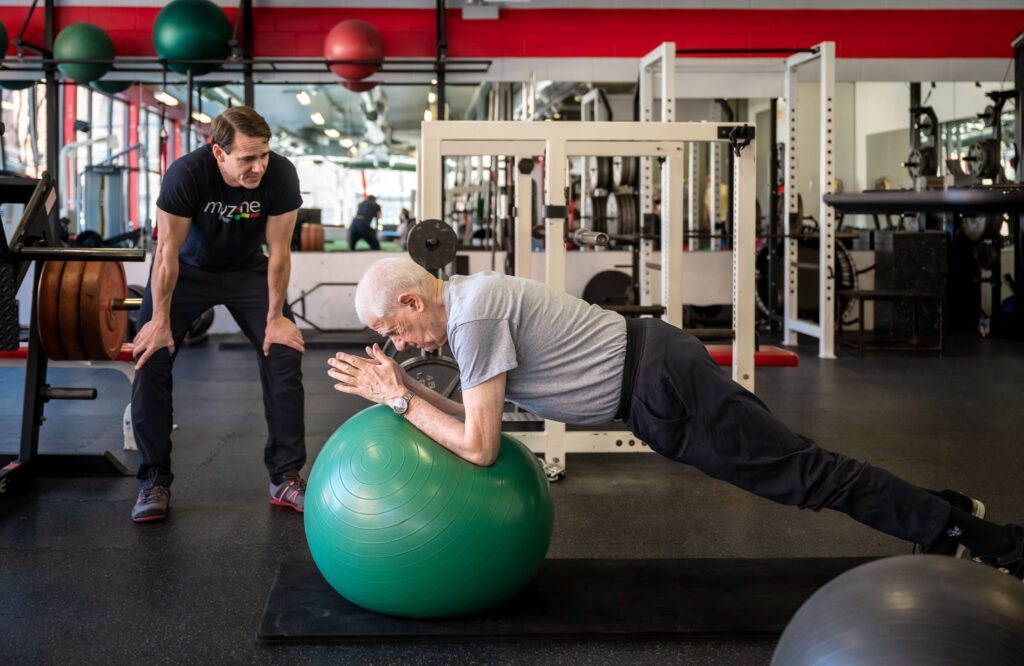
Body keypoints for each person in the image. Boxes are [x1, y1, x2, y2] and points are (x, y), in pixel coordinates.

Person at [327, 257, 1024, 578]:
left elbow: (477, 450)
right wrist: (407, 397)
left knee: (807, 478)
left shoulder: (474, 315)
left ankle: (978, 537)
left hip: (662, 384)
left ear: (415, 303)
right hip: (656, 383)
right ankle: (949, 512)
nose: (399, 346)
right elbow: (482, 421)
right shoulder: (473, 309)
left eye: (394, 331)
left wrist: (397, 396)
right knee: (803, 474)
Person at [130, 106, 307, 523]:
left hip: (248, 270)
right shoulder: (186, 174)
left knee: (283, 351)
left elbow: (279, 251)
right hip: (189, 271)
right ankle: (154, 480)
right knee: (150, 354)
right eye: (247, 158)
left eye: (263, 154)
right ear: (218, 153)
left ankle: (285, 475)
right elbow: (167, 253)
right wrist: (158, 321)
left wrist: (277, 315)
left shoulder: (280, 175)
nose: (258, 166)